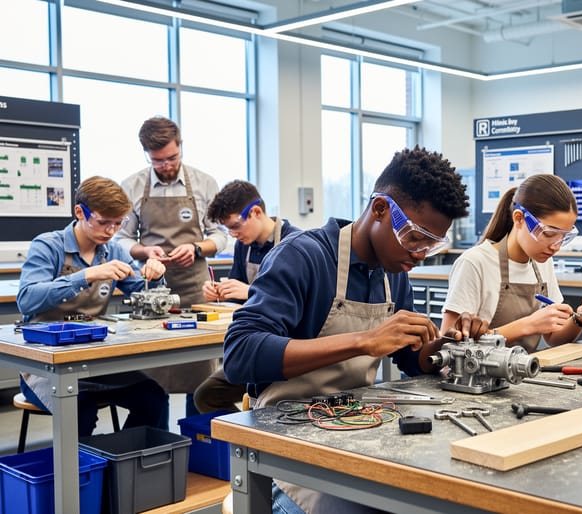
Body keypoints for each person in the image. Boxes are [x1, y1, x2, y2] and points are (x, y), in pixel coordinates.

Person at [223, 146, 488, 514]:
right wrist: (364, 341)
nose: (420, 253)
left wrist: (447, 346)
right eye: (414, 237)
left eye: (432, 243)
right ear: (380, 209)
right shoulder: (304, 256)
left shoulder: (393, 274)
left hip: (357, 426)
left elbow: (412, 359)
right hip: (287, 443)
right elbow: (240, 354)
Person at [17, 176, 169, 436]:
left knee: (153, 398)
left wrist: (154, 277)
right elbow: (28, 297)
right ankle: (84, 476)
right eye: (103, 222)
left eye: (117, 223)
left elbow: (143, 293)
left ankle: (126, 469)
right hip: (44, 366)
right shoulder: (48, 246)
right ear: (80, 212)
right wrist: (86, 275)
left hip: (93, 362)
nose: (111, 231)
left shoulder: (113, 251)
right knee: (79, 408)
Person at [116, 116, 226, 415]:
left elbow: (220, 234)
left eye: (172, 158)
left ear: (181, 147)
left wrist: (196, 248)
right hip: (150, 289)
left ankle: (200, 445)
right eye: (158, 161)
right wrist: (143, 251)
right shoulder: (132, 186)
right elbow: (122, 239)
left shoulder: (204, 183)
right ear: (147, 155)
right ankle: (157, 451)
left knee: (201, 374)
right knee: (153, 374)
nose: (166, 166)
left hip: (195, 289)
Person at [441, 173, 582, 352]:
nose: (555, 247)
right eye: (549, 234)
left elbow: (554, 338)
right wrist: (528, 325)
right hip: (477, 377)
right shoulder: (475, 263)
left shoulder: (543, 262)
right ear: (519, 218)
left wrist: (581, 319)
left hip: (524, 371)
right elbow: (448, 346)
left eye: (564, 237)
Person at [193, 180, 301, 413]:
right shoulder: (245, 245)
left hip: (284, 346)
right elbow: (238, 299)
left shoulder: (296, 244)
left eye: (235, 226)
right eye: (228, 230)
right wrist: (221, 294)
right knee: (207, 395)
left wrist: (251, 291)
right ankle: (239, 438)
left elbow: (302, 304)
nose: (233, 235)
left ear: (255, 212)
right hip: (252, 342)